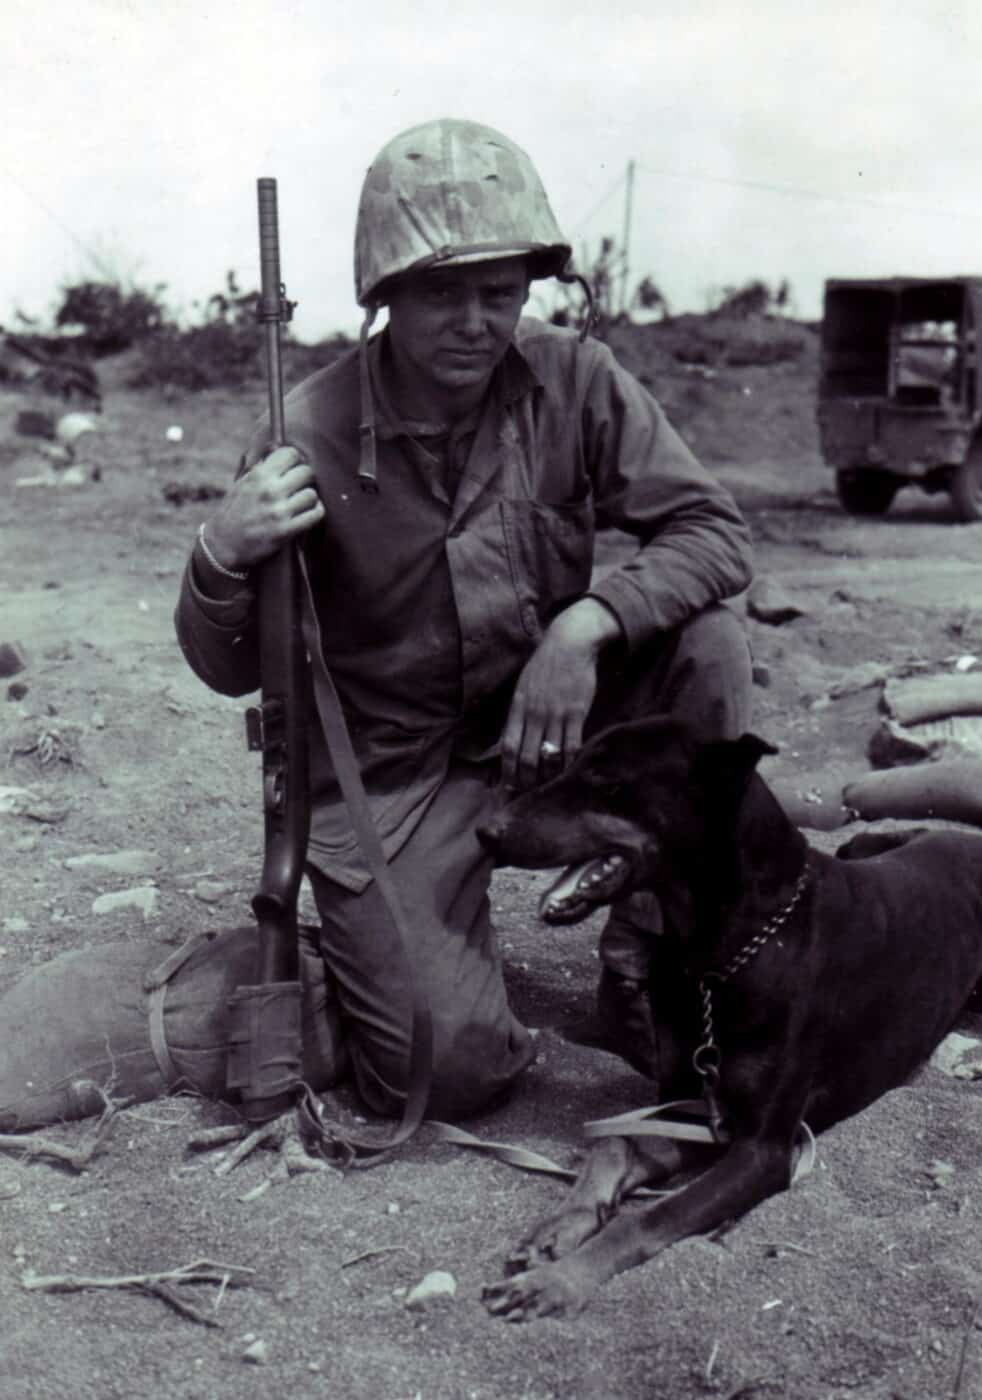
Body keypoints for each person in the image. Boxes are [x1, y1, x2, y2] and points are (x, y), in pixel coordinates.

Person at [175, 118, 754, 1121]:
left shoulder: (573, 377)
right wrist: (223, 550)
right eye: (444, 291)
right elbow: (228, 668)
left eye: (501, 291)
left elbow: (713, 531)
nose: (477, 320)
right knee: (450, 1071)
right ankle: (393, 958)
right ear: (386, 295)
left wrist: (587, 626)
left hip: (550, 725)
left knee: (707, 645)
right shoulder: (302, 431)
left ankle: (645, 958)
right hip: (396, 775)